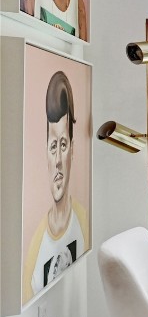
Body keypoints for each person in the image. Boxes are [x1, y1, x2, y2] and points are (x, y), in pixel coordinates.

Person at [24, 71, 89, 302]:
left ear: (73, 149)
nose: (58, 160)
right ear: (46, 152)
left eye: (63, 144)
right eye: (53, 146)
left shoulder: (83, 223)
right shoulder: (34, 252)